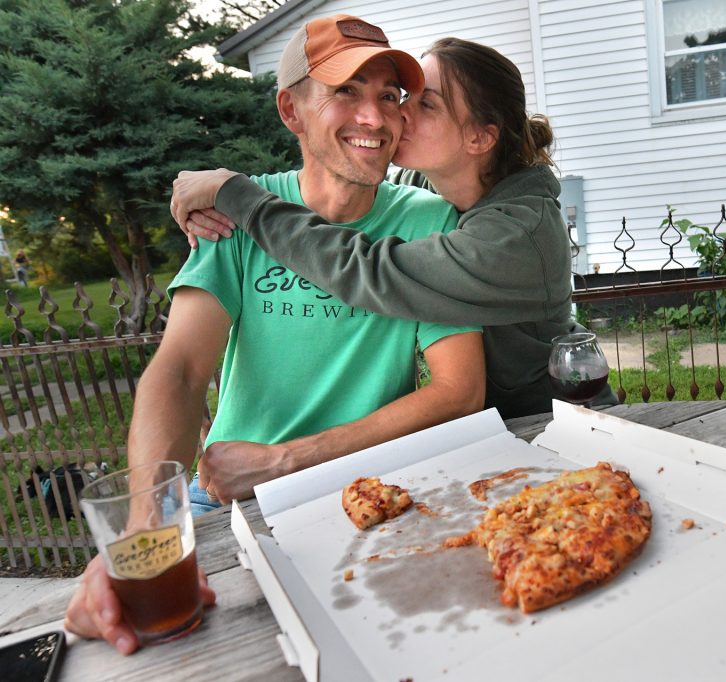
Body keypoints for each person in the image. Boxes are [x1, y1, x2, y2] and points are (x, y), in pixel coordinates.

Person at [64, 15, 486, 653]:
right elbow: (178, 371)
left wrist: (291, 458)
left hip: (365, 492)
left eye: (389, 96)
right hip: (224, 497)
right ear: (291, 109)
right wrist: (146, 532)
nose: (374, 117)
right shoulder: (236, 214)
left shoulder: (430, 223)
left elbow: (459, 390)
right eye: (346, 91)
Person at [170, 37, 616, 420]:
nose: (399, 115)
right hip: (498, 434)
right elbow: (338, 177)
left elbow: (370, 270)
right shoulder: (435, 187)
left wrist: (240, 198)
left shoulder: (520, 234)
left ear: (479, 139)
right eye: (405, 97)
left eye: (427, 104)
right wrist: (208, 192)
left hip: (560, 429)